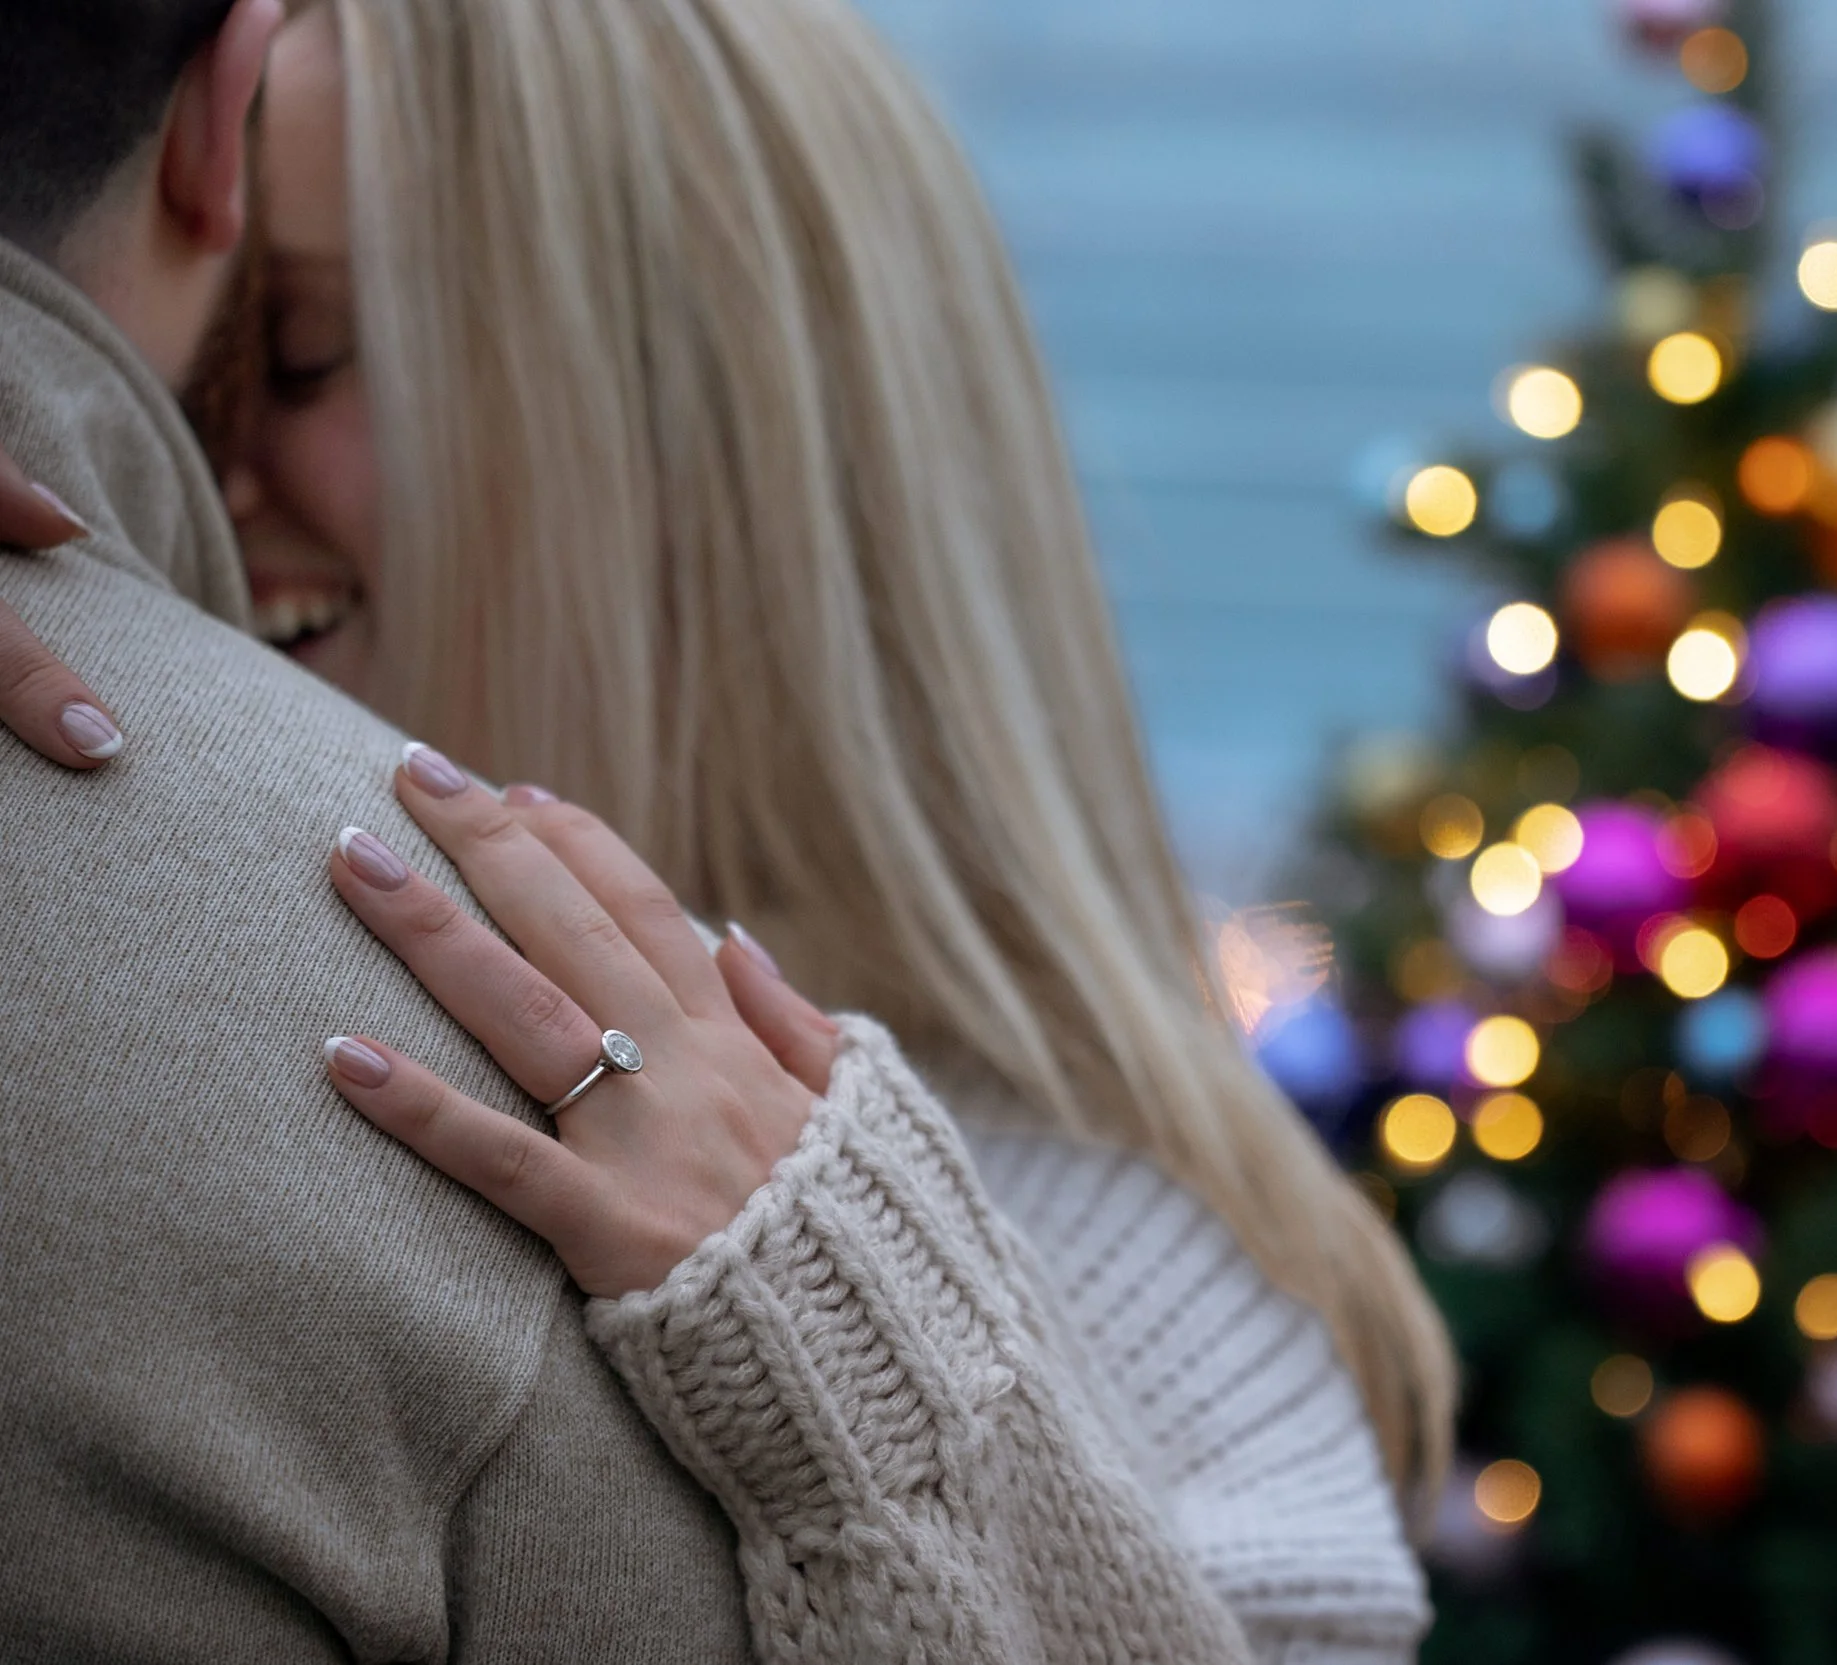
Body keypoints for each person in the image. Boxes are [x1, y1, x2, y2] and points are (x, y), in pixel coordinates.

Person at [0, 3, 1278, 1659]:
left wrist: (843, 1338)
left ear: (678, 429)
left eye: (292, 352)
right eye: (200, 347)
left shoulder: (1153, 1322)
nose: (194, 455)